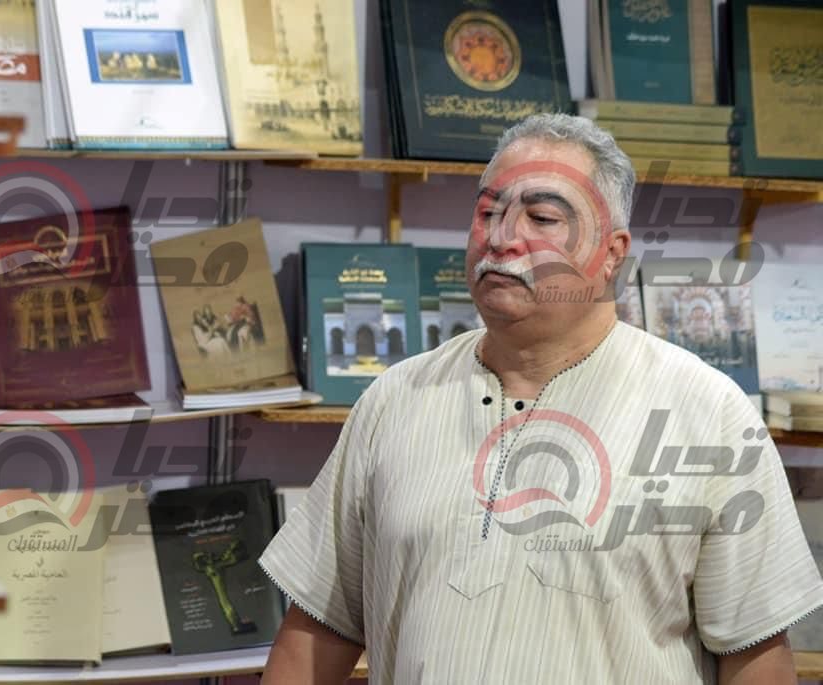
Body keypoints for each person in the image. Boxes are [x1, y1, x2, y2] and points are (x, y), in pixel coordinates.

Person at [258, 113, 823, 684]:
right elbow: (316, 636)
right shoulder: (395, 400)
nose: (501, 238)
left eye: (543, 217)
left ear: (612, 253)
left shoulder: (708, 413)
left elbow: (756, 658)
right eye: (488, 212)